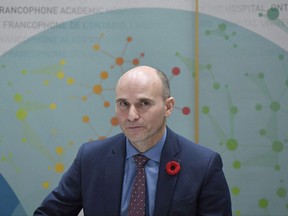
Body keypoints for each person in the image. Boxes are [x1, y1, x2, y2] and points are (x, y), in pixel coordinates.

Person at [34, 65, 232, 216]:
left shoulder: (203, 165)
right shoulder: (91, 158)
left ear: (168, 107)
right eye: (123, 104)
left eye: (143, 103)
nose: (131, 115)